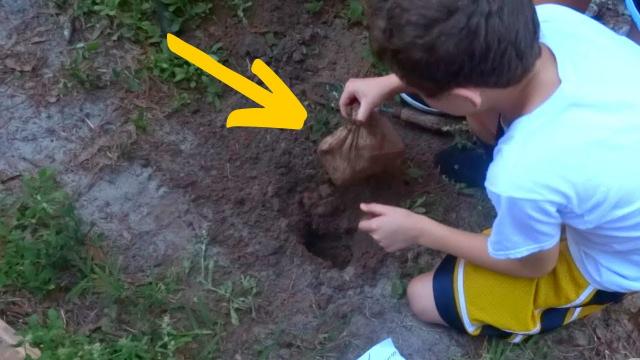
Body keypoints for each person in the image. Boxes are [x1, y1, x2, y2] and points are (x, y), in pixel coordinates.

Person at [340, 0, 640, 342]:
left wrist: (421, 231)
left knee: (423, 297)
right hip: (615, 157)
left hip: (615, 258)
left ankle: (580, 286)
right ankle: (543, 211)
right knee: (485, 120)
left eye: (423, 90)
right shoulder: (553, 20)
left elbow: (534, 265)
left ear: (465, 95)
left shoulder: (523, 172)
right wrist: (392, 81)